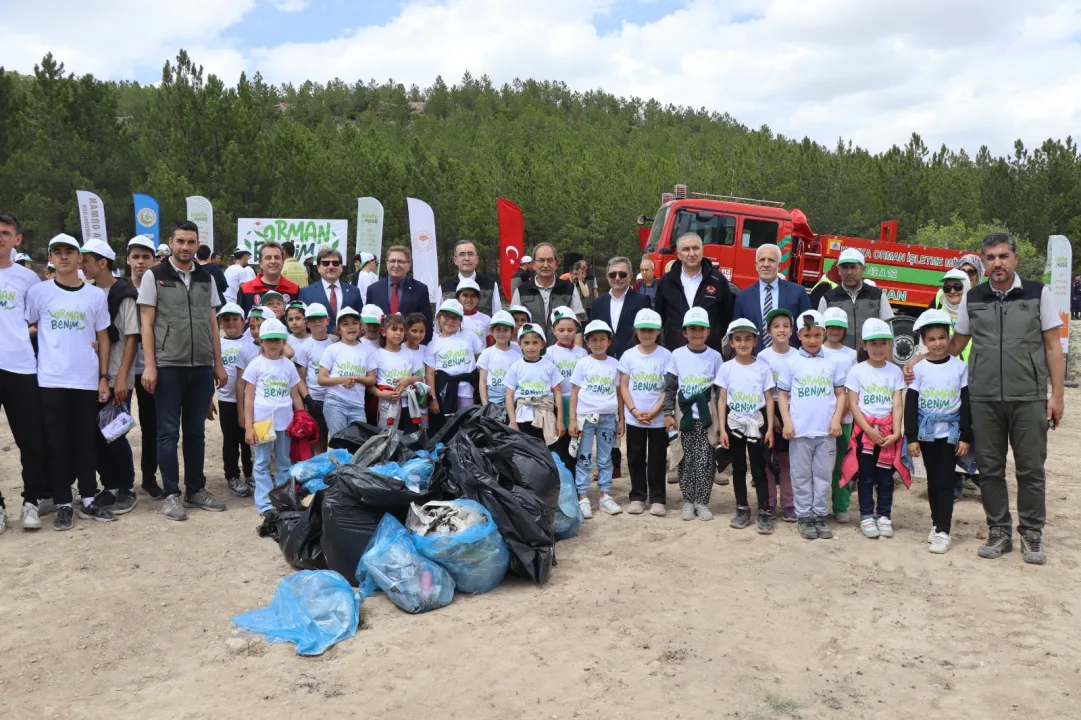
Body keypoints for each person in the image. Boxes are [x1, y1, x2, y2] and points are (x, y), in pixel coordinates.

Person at [904, 232, 1064, 565]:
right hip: (984, 398)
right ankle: (999, 532)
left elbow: (1052, 346)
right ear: (984, 261)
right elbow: (955, 345)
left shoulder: (1038, 293)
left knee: (1031, 469)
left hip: (1029, 397)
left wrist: (1057, 396)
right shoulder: (973, 297)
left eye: (1003, 256)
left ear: (1015, 258)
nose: (997, 263)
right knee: (990, 469)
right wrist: (918, 359)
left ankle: (1032, 535)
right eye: (990, 257)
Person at [139, 220, 228, 522]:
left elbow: (213, 323)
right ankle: (170, 494)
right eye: (180, 241)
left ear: (197, 244)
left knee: (196, 432)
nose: (186, 247)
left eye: (191, 242)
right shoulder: (155, 276)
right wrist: (150, 365)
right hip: (167, 365)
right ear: (171, 242)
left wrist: (218, 363)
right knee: (166, 433)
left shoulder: (207, 277)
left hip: (201, 366)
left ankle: (196, 489)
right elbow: (146, 324)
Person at [28, 234, 113, 530]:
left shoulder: (94, 296)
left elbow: (103, 337)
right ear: (50, 258)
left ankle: (88, 499)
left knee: (85, 442)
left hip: (86, 380)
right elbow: (26, 327)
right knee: (57, 444)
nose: (63, 257)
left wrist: (104, 377)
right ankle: (64, 502)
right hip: (50, 380)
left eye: (69, 252)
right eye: (57, 252)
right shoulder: (39, 293)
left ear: (80, 258)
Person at [81, 240, 140, 516]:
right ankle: (110, 486)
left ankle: (126, 486)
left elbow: (131, 338)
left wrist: (121, 378)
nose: (82, 265)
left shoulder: (123, 294)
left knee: (114, 432)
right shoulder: (88, 292)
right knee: (96, 433)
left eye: (86, 261)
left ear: (102, 263)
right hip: (91, 376)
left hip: (117, 375)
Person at [905, 309, 972, 554]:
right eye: (931, 339)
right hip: (926, 435)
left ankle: (944, 530)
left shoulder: (958, 367)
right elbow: (911, 404)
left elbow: (965, 402)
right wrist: (911, 437)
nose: (938, 344)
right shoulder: (919, 370)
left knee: (945, 481)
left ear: (949, 337)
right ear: (924, 342)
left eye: (942, 337)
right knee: (933, 480)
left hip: (950, 434)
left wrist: (966, 435)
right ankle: (936, 523)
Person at [776, 310, 847, 541]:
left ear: (824, 334)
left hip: (826, 432)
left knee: (824, 475)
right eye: (807, 336)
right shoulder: (791, 362)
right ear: (799, 335)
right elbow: (783, 395)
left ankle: (819, 514)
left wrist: (836, 419)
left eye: (817, 335)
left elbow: (840, 393)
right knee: (801, 475)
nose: (813, 340)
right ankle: (804, 515)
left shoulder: (832, 362)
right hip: (800, 432)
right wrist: (787, 422)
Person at [0, 211, 48, 532]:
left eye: (5, 232)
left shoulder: (28, 279)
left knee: (30, 440)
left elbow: (38, 322)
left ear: (16, 240)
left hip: (20, 368)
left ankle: (32, 500)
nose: (0, 237)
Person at [843, 319, 907, 539]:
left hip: (889, 433)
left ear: (889, 345)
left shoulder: (894, 372)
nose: (878, 349)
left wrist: (896, 432)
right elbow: (853, 403)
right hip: (866, 434)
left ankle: (884, 515)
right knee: (867, 476)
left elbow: (897, 403)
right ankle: (867, 515)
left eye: (883, 343)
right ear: (865, 346)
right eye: (873, 344)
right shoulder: (857, 372)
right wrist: (868, 431)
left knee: (886, 477)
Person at [715, 318, 776, 534]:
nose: (743, 344)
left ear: (755, 341)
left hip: (757, 423)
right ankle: (742, 507)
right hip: (734, 424)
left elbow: (769, 399)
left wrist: (768, 429)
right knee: (738, 468)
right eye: (738, 339)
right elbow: (722, 400)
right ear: (731, 342)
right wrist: (723, 429)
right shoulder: (726, 368)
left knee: (759, 469)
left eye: (747, 339)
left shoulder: (762, 368)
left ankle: (765, 510)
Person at [242, 317, 304, 523]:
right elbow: (248, 398)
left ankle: (283, 500)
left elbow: (295, 395)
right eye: (269, 340)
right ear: (261, 341)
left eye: (278, 339)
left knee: (284, 462)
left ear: (284, 341)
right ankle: (265, 504)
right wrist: (248, 427)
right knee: (261, 463)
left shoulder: (288, 366)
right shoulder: (255, 365)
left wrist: (301, 417)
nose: (273, 344)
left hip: (284, 423)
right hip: (262, 424)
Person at [664, 307, 723, 521]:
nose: (696, 333)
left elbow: (720, 390)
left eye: (701, 329)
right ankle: (688, 500)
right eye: (692, 329)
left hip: (707, 417)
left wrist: (720, 423)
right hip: (684, 416)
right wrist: (668, 412)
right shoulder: (678, 355)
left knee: (706, 461)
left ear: (708, 331)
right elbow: (670, 387)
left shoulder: (715, 356)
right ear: (684, 332)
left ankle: (703, 501)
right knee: (685, 459)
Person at [618, 309, 671, 517]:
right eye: (643, 330)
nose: (647, 334)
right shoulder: (629, 355)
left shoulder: (666, 356)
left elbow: (667, 388)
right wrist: (633, 410)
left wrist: (654, 411)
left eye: (651, 330)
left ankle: (658, 498)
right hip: (634, 418)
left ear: (658, 332)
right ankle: (638, 496)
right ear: (636, 331)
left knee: (657, 458)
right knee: (635, 456)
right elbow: (623, 386)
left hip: (657, 419)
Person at [570, 320, 624, 518]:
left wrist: (622, 418)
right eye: (594, 340)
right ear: (587, 342)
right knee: (584, 457)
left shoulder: (615, 365)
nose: (598, 343)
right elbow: (574, 391)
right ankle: (583, 497)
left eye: (603, 339)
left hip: (608, 418)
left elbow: (619, 393)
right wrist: (572, 420)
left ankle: (605, 495)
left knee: (605, 458)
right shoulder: (583, 363)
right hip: (585, 418)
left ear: (609, 341)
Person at [124, 236, 163, 497]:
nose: (140, 262)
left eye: (145, 257)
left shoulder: (160, 290)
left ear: (154, 260)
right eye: (136, 257)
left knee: (153, 427)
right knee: (116, 426)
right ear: (127, 259)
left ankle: (149, 478)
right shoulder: (118, 290)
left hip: (151, 368)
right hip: (124, 370)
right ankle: (120, 480)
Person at [654, 232, 735, 354]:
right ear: (679, 255)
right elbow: (660, 315)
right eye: (686, 249)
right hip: (675, 350)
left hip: (709, 351)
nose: (692, 253)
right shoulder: (666, 281)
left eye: (695, 248)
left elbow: (727, 315)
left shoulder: (718, 280)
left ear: (702, 251)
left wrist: (713, 334)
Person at [757, 309, 797, 522]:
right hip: (768, 412)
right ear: (769, 331)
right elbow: (762, 390)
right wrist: (772, 419)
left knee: (787, 460)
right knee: (768, 460)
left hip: (791, 413)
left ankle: (789, 503)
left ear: (792, 330)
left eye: (785, 325)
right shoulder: (763, 357)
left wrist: (786, 418)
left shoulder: (798, 356)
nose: (781, 330)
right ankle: (770, 502)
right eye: (776, 326)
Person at [733, 244, 812, 351]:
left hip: (789, 359)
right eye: (762, 260)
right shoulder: (743, 297)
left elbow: (808, 328)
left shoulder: (798, 293)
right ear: (756, 265)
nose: (766, 264)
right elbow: (737, 331)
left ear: (779, 265)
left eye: (771, 260)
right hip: (754, 360)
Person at [821, 307, 857, 523]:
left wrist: (840, 414)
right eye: (831, 326)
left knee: (842, 465)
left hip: (844, 420)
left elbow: (852, 390)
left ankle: (841, 506)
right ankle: (820, 505)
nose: (834, 331)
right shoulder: (816, 351)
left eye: (839, 327)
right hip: (819, 421)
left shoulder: (851, 355)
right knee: (821, 466)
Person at [425, 298, 483, 433]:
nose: (450, 321)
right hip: (445, 393)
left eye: (455, 318)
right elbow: (430, 374)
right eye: (446, 316)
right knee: (447, 427)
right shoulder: (433, 344)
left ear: (460, 320)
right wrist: (432, 398)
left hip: (467, 391)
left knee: (467, 425)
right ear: (439, 317)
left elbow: (480, 360)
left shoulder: (469, 336)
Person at [817, 249, 894, 350]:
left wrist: (888, 362)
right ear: (838, 270)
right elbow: (819, 331)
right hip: (838, 360)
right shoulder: (828, 298)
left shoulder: (878, 296)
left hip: (870, 359)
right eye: (844, 267)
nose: (849, 272)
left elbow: (888, 333)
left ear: (863, 269)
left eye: (853, 267)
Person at [213, 302, 253, 498]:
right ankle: (232, 476)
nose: (230, 323)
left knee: (249, 439)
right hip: (226, 399)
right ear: (220, 322)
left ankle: (251, 474)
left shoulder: (250, 343)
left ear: (243, 321)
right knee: (230, 440)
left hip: (249, 401)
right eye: (226, 319)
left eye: (235, 319)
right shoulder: (217, 344)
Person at [511, 242, 586, 345]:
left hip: (562, 355)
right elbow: (514, 328)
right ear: (533, 264)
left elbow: (577, 325)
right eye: (541, 260)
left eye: (550, 260)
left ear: (556, 263)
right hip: (531, 355)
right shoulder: (521, 291)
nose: (545, 265)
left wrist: (578, 354)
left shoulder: (569, 289)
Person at [317, 307, 376, 437]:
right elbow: (321, 379)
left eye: (354, 323)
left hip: (358, 405)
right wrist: (342, 380)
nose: (351, 327)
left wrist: (357, 379)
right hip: (335, 403)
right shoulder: (332, 349)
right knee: (339, 443)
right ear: (339, 329)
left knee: (358, 444)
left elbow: (372, 379)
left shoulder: (367, 351)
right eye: (345, 324)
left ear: (361, 326)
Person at [505, 323, 564, 445]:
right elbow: (509, 396)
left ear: (542, 344)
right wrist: (513, 422)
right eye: (526, 343)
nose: (531, 347)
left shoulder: (549, 366)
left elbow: (557, 393)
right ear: (519, 344)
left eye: (535, 343)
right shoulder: (516, 367)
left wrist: (560, 420)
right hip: (522, 418)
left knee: (546, 451)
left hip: (545, 417)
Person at [366, 245, 435, 343]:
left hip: (409, 349)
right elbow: (367, 323)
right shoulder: (373, 289)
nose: (396, 265)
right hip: (379, 348)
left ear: (409, 266)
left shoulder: (420, 290)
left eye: (401, 261)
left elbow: (426, 325)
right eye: (392, 261)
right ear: (386, 263)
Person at [547, 306, 587, 472]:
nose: (566, 334)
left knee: (577, 444)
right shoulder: (549, 353)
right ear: (553, 330)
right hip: (557, 403)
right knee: (559, 443)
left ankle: (578, 483)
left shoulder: (583, 353)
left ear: (576, 330)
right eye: (561, 330)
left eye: (570, 330)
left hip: (578, 404)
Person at [590, 257, 652, 359]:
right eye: (612, 274)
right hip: (604, 361)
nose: (617, 278)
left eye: (622, 274)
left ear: (630, 276)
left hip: (634, 361)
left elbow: (649, 331)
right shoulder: (598, 303)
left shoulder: (642, 301)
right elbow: (591, 333)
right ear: (607, 276)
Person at [372, 314, 427, 430]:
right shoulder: (376, 355)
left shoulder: (408, 353)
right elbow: (369, 384)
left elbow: (420, 377)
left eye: (402, 330)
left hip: (409, 405)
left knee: (409, 440)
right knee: (387, 440)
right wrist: (381, 394)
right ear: (383, 332)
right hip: (387, 405)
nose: (398, 333)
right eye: (394, 329)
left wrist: (409, 380)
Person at [292, 303, 333, 451]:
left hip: (334, 397)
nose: (316, 322)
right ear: (307, 323)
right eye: (312, 319)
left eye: (320, 318)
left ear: (327, 320)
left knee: (336, 438)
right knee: (318, 439)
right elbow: (300, 378)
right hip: (316, 398)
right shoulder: (304, 347)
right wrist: (307, 398)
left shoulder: (335, 342)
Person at [297, 247, 362, 327]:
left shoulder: (354, 292)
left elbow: (360, 321)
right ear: (318, 268)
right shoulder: (306, 293)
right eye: (326, 263)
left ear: (341, 267)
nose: (331, 267)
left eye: (335, 263)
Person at [237, 241, 302, 316]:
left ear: (283, 262)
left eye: (277, 257)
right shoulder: (245, 290)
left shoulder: (294, 290)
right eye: (268, 258)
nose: (273, 261)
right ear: (260, 263)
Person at [439, 240, 502, 316]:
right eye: (462, 254)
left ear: (477, 259)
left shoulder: (490, 285)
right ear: (455, 260)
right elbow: (438, 321)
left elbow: (498, 317)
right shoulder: (444, 288)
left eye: (470, 254)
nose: (467, 258)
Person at [477, 311, 522, 407]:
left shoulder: (517, 356)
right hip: (492, 400)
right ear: (491, 331)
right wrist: (485, 405)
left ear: (512, 332)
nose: (502, 333)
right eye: (498, 329)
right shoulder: (487, 353)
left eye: (505, 330)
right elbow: (482, 381)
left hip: (513, 399)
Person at [457, 278, 491, 346]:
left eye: (473, 296)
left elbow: (490, 345)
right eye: (465, 295)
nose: (469, 299)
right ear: (458, 298)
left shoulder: (487, 319)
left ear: (478, 299)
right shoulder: (452, 320)